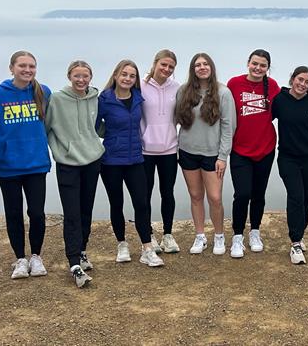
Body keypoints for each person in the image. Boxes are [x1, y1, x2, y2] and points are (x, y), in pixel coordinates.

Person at [0, 51, 52, 280]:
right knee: (13, 214)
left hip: (36, 164)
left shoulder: (43, 92)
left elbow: (50, 122)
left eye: (31, 66)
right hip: (8, 166)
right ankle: (20, 259)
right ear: (11, 68)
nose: (27, 70)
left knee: (37, 213)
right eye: (22, 65)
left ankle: (36, 256)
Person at [97, 60, 163, 267]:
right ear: (116, 75)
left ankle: (147, 248)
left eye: (132, 76)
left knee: (141, 203)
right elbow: (95, 126)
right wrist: (112, 136)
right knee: (116, 203)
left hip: (135, 158)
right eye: (124, 74)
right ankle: (122, 244)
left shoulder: (138, 98)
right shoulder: (104, 99)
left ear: (136, 80)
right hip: (111, 160)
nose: (127, 78)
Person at [45, 60, 105, 288]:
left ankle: (81, 251)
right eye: (77, 76)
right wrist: (59, 150)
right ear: (69, 76)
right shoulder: (57, 99)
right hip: (68, 163)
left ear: (90, 77)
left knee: (86, 209)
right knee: (72, 213)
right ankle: (73, 263)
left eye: (85, 76)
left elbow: (99, 126)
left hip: (92, 160)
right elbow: (46, 128)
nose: (81, 80)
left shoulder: (95, 99)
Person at [175, 53, 235, 255]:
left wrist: (223, 156)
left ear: (211, 67)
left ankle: (219, 235)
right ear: (193, 69)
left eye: (205, 64)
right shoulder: (183, 91)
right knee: (195, 196)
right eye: (197, 65)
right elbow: (176, 119)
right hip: (187, 151)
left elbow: (228, 127)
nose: (202, 67)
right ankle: (200, 235)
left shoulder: (223, 92)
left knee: (215, 197)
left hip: (212, 154)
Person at [226, 49, 279, 258]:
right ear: (248, 63)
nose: (258, 68)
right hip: (240, 150)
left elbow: (283, 108)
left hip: (265, 149)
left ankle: (255, 231)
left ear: (267, 68)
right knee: (242, 194)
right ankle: (237, 236)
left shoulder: (272, 86)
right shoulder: (234, 84)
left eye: (262, 65)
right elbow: (224, 111)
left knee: (258, 194)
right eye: (254, 63)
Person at [272, 66, 308, 265]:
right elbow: (264, 119)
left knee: (306, 198)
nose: (302, 84)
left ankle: (299, 234)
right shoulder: (280, 100)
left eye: (307, 82)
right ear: (292, 79)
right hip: (288, 158)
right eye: (300, 79)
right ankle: (295, 242)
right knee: (296, 196)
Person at [141, 49, 180, 254]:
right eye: (163, 64)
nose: (166, 69)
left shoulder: (177, 88)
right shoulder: (140, 86)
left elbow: (181, 115)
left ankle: (168, 234)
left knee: (168, 193)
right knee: (145, 194)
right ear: (155, 63)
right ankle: (148, 236)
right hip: (145, 150)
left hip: (169, 149)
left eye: (171, 66)